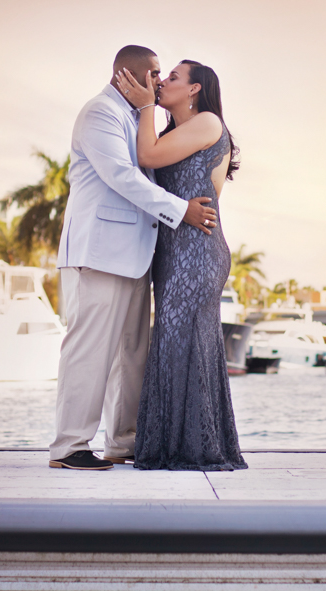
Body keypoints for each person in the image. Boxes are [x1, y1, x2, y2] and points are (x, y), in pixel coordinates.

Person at [48, 46, 219, 471]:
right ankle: (69, 445)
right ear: (130, 73)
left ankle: (124, 441)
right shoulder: (100, 114)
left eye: (165, 74)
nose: (160, 81)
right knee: (89, 351)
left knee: (131, 354)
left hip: (136, 257)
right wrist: (182, 212)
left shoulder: (136, 117)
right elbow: (123, 178)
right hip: (100, 253)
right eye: (156, 73)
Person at [116, 60, 246, 471]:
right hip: (171, 253)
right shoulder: (176, 131)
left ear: (194, 89)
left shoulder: (208, 122)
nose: (162, 82)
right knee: (174, 342)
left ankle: (190, 448)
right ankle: (171, 446)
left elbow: (147, 154)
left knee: (181, 342)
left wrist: (143, 107)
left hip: (199, 251)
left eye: (173, 77)